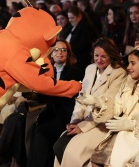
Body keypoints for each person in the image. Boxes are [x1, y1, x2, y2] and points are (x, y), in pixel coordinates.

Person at [0, 5, 81, 166]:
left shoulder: (2, 38)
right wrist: (76, 87)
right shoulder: (13, 48)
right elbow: (42, 83)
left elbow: (23, 82)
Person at [53, 37, 127, 167]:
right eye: (96, 55)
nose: (99, 59)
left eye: (104, 56)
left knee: (72, 152)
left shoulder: (118, 73)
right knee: (59, 144)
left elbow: (107, 107)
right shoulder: (90, 69)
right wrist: (75, 121)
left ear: (111, 56)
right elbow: (81, 99)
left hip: (101, 124)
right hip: (83, 120)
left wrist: (82, 127)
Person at [26, 39, 83, 167]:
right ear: (51, 54)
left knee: (41, 130)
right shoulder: (46, 71)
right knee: (32, 126)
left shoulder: (75, 72)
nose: (60, 53)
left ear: (68, 54)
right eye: (56, 50)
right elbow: (43, 96)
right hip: (49, 112)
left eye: (63, 50)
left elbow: (65, 97)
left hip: (65, 115)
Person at [91, 47, 139, 167]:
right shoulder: (127, 83)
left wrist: (131, 125)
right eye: (128, 63)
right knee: (95, 161)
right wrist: (99, 104)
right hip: (121, 133)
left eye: (133, 63)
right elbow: (117, 108)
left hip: (135, 137)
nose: (128, 67)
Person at [66, 6, 99, 77]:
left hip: (82, 61)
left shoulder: (86, 27)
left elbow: (83, 44)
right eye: (69, 18)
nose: (70, 20)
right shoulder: (73, 27)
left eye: (72, 18)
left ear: (79, 16)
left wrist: (68, 50)